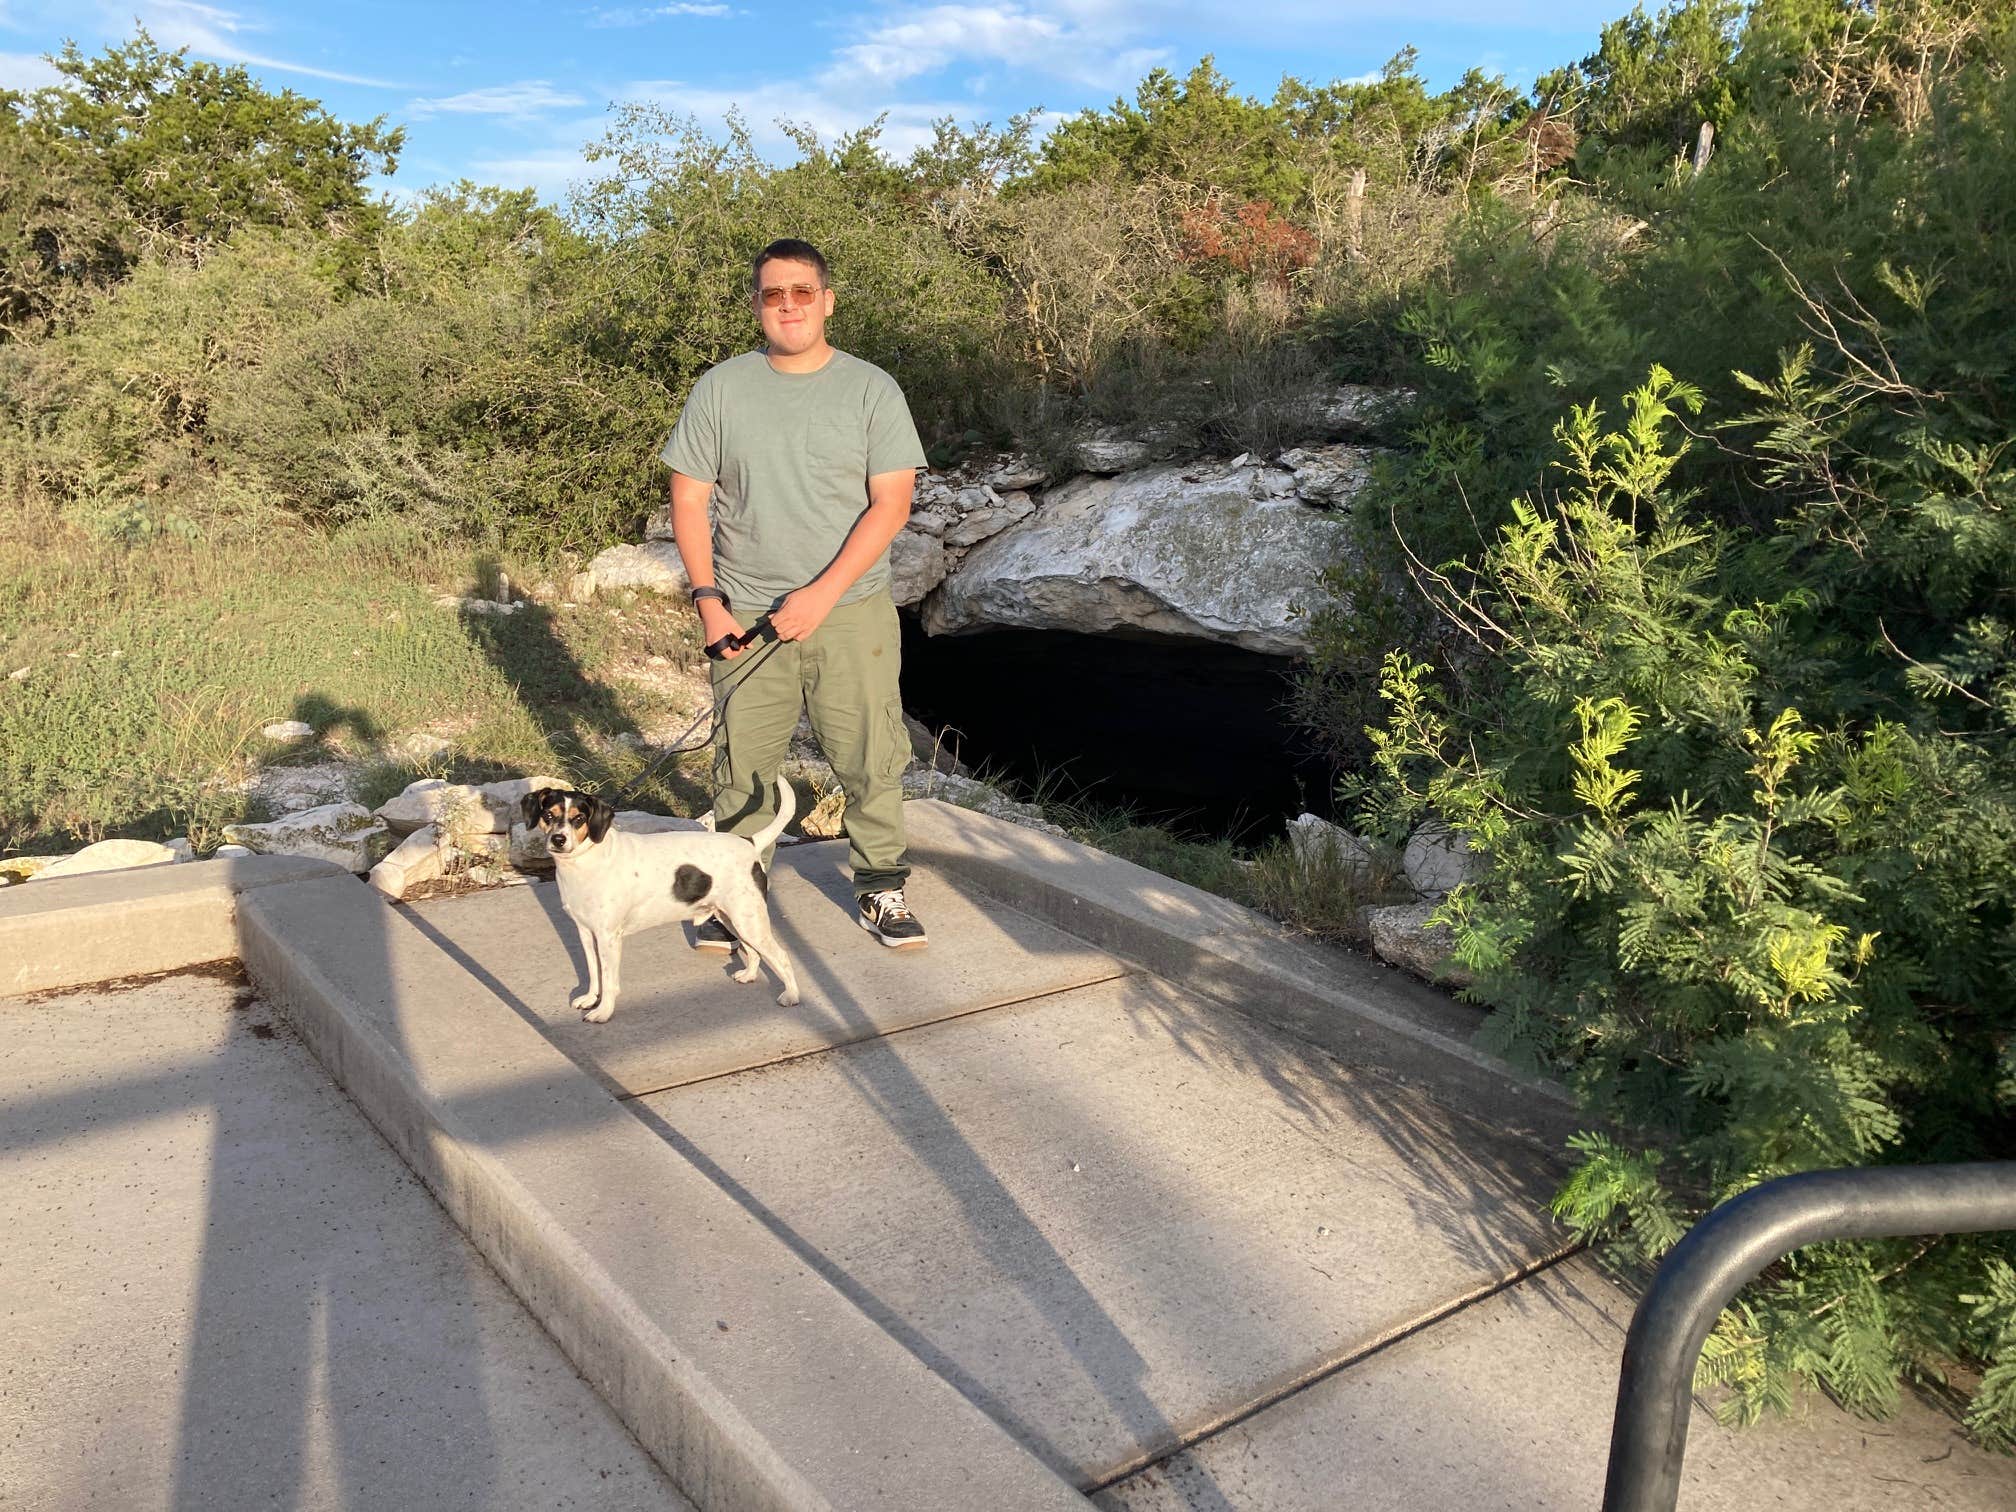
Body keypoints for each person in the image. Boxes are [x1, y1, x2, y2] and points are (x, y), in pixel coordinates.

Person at [660, 237, 929, 950]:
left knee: (871, 756)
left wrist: (820, 594)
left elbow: (891, 505)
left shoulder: (872, 389)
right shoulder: (721, 388)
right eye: (772, 294)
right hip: (744, 610)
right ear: (756, 306)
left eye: (801, 292)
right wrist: (709, 600)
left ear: (827, 301)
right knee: (743, 763)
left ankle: (880, 888)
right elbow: (689, 501)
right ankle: (736, 895)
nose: (788, 306)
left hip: (852, 612)